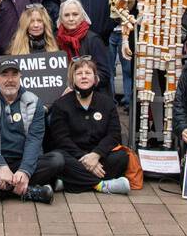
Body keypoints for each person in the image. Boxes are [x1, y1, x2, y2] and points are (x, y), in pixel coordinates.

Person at [0, 56, 62, 204]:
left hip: (23, 160)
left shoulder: (34, 102)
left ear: (20, 76)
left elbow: (34, 140)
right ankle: (27, 191)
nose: (10, 79)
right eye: (4, 75)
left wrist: (25, 170)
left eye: (14, 74)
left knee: (57, 160)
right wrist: (1, 166)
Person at [44, 56, 130, 194]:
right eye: (79, 74)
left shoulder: (107, 103)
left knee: (121, 157)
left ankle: (69, 183)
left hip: (98, 155)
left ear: (95, 79)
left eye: (88, 73)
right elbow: (61, 139)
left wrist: (96, 155)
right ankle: (102, 185)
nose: (84, 77)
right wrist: (84, 159)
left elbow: (114, 135)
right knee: (58, 159)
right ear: (72, 79)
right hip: (72, 155)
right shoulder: (61, 104)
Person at [54, 0, 111, 97]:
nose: (71, 18)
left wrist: (79, 84)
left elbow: (104, 74)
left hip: (92, 95)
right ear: (61, 19)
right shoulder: (55, 40)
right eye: (66, 15)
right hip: (63, 95)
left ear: (82, 16)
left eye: (75, 14)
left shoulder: (93, 40)